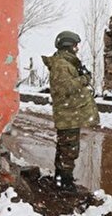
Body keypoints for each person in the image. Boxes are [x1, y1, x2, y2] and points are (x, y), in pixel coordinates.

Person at [41, 31, 100, 192]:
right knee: (69, 150)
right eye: (75, 45)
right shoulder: (62, 64)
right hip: (68, 115)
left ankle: (62, 179)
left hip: (70, 114)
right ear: (68, 45)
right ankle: (64, 184)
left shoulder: (66, 63)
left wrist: (79, 73)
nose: (77, 49)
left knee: (66, 149)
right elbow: (65, 88)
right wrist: (84, 78)